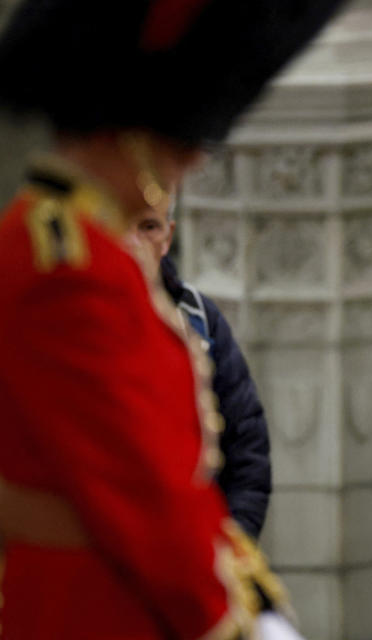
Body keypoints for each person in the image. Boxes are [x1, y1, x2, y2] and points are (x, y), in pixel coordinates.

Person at [0, 1, 342, 638]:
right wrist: (235, 621)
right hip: (92, 608)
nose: (195, 155)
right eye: (182, 136)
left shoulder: (92, 253)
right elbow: (143, 494)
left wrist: (255, 598)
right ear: (132, 130)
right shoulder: (66, 267)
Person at [128, 203, 271, 539]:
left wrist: (232, 549)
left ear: (168, 237)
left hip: (194, 549)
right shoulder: (74, 318)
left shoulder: (198, 315)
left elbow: (247, 446)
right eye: (125, 225)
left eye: (150, 227)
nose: (135, 241)